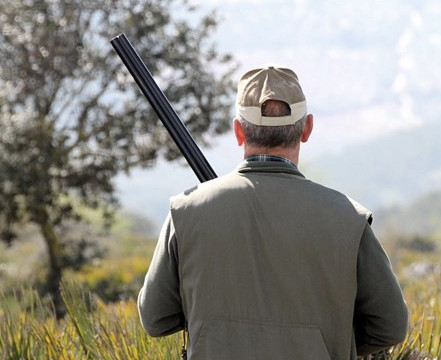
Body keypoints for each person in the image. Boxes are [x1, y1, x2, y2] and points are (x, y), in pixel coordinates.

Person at [138, 65, 409, 359]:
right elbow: (390, 326)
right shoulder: (349, 218)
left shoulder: (186, 211)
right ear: (307, 129)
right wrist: (325, 338)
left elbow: (156, 319)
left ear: (238, 131)